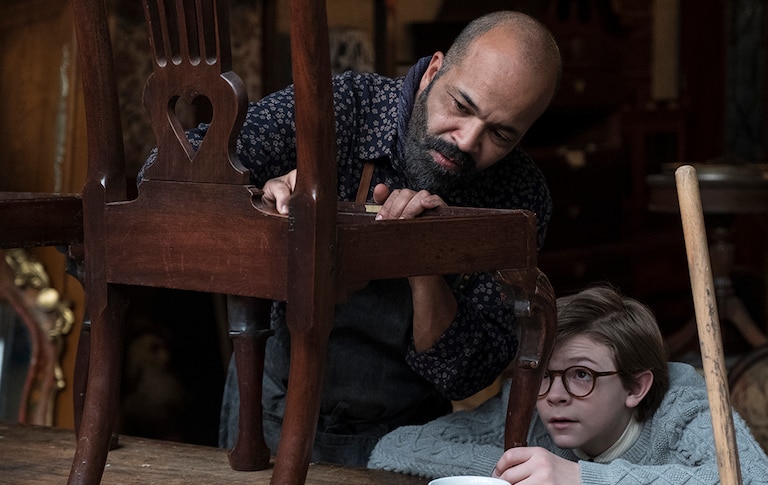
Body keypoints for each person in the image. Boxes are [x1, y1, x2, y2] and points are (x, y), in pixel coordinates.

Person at [139, 11, 562, 465]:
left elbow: (463, 376)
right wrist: (262, 195)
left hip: (405, 439)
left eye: (500, 134)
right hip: (267, 414)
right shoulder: (343, 107)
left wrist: (423, 266)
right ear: (434, 70)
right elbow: (164, 176)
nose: (465, 141)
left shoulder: (519, 195)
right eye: (461, 106)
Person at [367, 285, 768, 484]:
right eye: (544, 373)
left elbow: (758, 482)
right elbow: (395, 448)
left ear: (636, 386)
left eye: (581, 374)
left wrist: (579, 478)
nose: (556, 393)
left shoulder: (684, 409)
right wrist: (511, 471)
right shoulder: (529, 403)